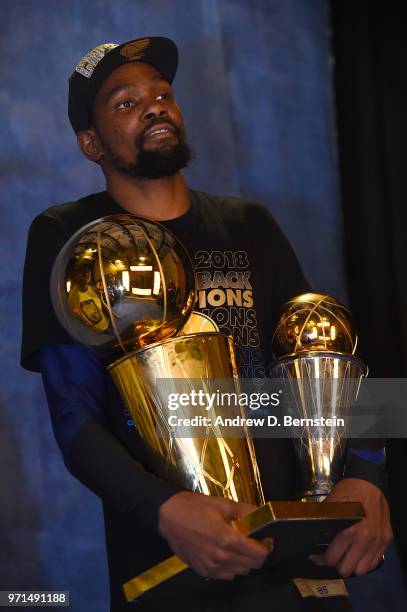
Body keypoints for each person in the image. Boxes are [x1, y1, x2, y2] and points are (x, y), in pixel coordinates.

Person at [21, 37, 392, 611]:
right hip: (176, 562)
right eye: (125, 102)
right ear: (90, 143)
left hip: (298, 553)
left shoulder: (251, 225)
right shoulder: (69, 236)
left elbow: (324, 348)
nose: (153, 106)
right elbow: (73, 416)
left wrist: (369, 475)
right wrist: (163, 509)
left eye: (162, 94)